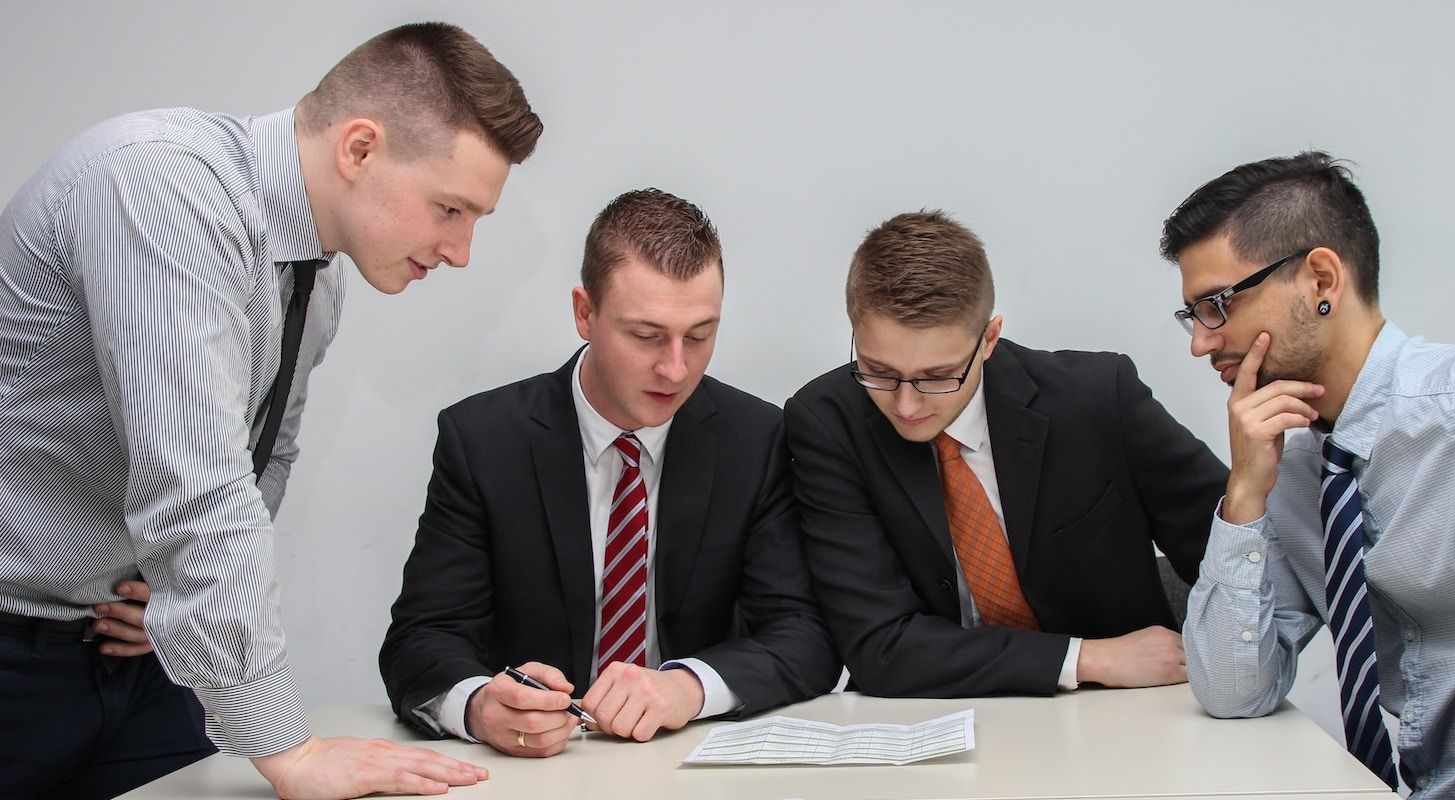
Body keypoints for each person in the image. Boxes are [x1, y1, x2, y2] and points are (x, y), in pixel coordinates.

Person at [0, 22, 543, 799]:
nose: (459, 251)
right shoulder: (161, 187)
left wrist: (171, 595)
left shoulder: (316, 277)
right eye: (450, 210)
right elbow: (197, 488)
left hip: (129, 654)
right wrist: (291, 751)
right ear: (359, 148)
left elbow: (264, 458)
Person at [1163, 151, 1455, 798]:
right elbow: (1233, 692)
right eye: (1193, 314)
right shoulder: (1295, 462)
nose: (1201, 341)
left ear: (1320, 280)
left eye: (1218, 305)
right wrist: (1246, 494)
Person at [380, 188, 839, 757]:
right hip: (533, 772)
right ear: (584, 313)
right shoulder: (483, 440)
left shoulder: (756, 439)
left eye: (699, 336)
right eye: (645, 336)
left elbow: (806, 636)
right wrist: (480, 707)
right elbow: (421, 639)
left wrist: (687, 687)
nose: (675, 368)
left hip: (686, 763)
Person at [783, 210, 1226, 698]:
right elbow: (880, 647)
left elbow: (1233, 560)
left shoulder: (1097, 399)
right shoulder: (827, 422)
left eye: (937, 376)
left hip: (1125, 712)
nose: (906, 405)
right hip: (934, 717)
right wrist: (1088, 657)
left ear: (989, 339)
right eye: (878, 370)